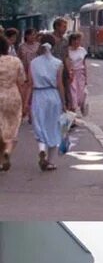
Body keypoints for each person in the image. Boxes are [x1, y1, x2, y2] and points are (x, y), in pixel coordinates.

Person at [28, 34, 68, 170]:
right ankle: (50, 161)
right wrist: (63, 103)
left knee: (39, 125)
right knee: (53, 127)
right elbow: (60, 84)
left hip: (38, 95)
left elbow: (30, 83)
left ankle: (41, 149)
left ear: (40, 43)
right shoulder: (58, 63)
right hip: (53, 95)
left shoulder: (33, 63)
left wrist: (26, 102)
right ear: (53, 45)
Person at [0, 34, 27, 172]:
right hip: (12, 96)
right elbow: (22, 82)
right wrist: (25, 101)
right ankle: (8, 150)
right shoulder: (15, 61)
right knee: (12, 127)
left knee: (1, 128)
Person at [65, 32, 88, 115]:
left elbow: (84, 64)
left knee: (81, 93)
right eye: (74, 40)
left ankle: (81, 105)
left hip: (80, 74)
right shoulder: (67, 50)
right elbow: (67, 62)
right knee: (72, 93)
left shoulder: (82, 50)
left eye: (78, 40)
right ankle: (73, 112)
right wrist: (69, 72)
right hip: (72, 74)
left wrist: (86, 77)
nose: (76, 42)